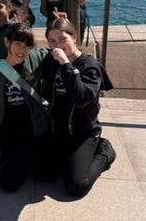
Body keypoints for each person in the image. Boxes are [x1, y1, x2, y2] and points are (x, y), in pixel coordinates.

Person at [36, 17, 116, 197]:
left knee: (76, 186)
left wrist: (66, 65)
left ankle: (105, 151)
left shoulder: (89, 66)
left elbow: (82, 98)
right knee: (43, 175)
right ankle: (69, 159)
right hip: (59, 131)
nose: (58, 45)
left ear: (74, 37)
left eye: (63, 39)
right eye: (53, 41)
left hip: (83, 132)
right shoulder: (51, 60)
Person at [0, 22, 52, 192]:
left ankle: (27, 155)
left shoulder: (35, 58)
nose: (22, 50)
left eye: (27, 46)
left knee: (9, 183)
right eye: (17, 44)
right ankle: (15, 156)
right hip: (6, 130)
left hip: (30, 131)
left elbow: (57, 47)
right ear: (7, 42)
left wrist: (57, 25)